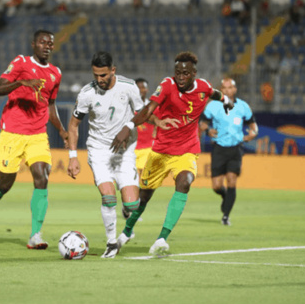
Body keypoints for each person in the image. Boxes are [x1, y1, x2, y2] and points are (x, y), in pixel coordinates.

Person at [111, 51, 233, 256]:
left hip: (187, 150)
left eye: (185, 73)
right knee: (143, 199)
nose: (181, 77)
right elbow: (149, 108)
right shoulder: (167, 85)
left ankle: (161, 239)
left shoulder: (203, 87)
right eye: (178, 72)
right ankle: (126, 232)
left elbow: (215, 93)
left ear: (194, 73)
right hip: (160, 151)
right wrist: (129, 126)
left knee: (185, 181)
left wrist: (227, 100)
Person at [0, 30, 69, 250]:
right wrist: (21, 83)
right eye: (42, 42)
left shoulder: (55, 73)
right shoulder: (20, 63)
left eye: (50, 43)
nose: (47, 46)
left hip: (38, 134)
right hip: (12, 131)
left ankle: (35, 234)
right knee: (6, 183)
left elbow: (50, 106)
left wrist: (61, 130)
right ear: (33, 45)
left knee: (42, 176)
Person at [67, 52, 144, 258]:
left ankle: (127, 211)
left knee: (132, 204)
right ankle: (111, 242)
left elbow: (143, 113)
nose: (99, 80)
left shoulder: (129, 87)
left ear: (113, 70)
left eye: (103, 75)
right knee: (108, 197)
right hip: (99, 150)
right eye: (95, 75)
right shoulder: (86, 93)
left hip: (124, 151)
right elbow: (74, 125)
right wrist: (73, 156)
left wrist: (128, 127)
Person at [199, 78, 258, 226]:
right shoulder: (213, 106)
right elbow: (202, 123)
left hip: (236, 148)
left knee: (232, 180)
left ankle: (226, 216)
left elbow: (252, 124)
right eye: (224, 88)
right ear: (221, 90)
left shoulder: (243, 106)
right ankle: (225, 196)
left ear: (235, 89)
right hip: (219, 147)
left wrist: (253, 133)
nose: (227, 90)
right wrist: (208, 130)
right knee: (216, 186)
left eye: (229, 87)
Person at [122, 77, 155, 220]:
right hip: (132, 147)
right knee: (133, 180)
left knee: (143, 180)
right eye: (139, 87)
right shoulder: (127, 106)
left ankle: (133, 207)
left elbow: (158, 122)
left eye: (144, 87)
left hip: (148, 147)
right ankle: (129, 204)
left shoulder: (152, 106)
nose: (142, 90)